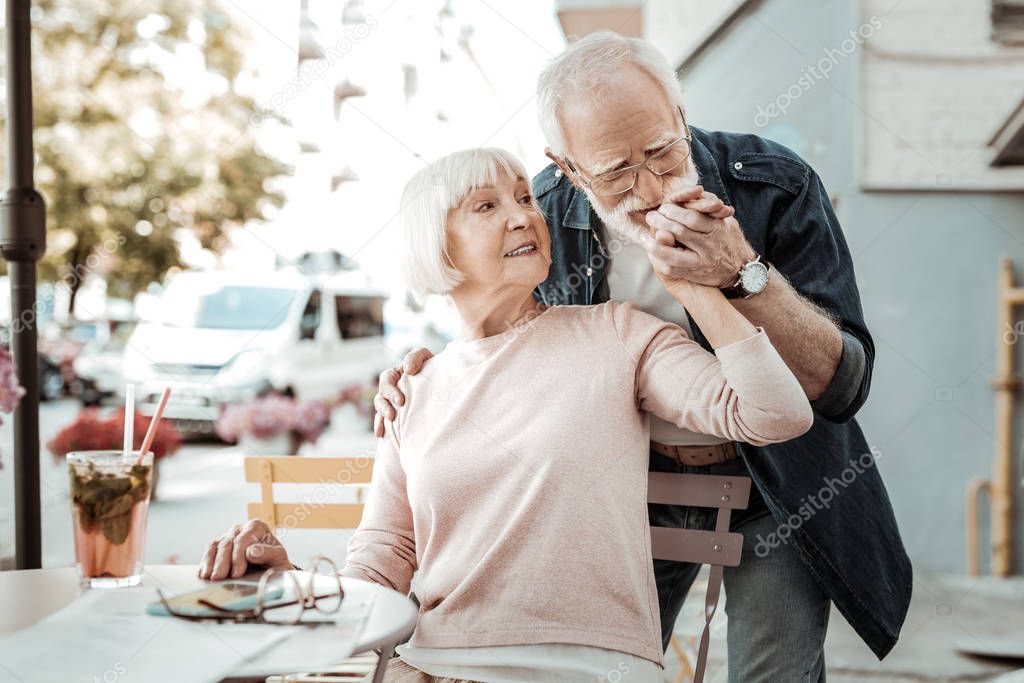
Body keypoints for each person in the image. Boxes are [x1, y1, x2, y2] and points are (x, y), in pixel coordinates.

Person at [375, 32, 913, 682]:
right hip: (632, 486)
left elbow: (843, 385)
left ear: (681, 118)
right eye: (615, 171)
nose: (652, 184)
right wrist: (424, 371)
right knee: (604, 661)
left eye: (662, 149)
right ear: (568, 167)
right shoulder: (541, 213)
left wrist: (744, 274)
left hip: (780, 478)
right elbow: (504, 334)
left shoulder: (776, 184)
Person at [200, 147, 813, 682]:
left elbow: (775, 413)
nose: (524, 214)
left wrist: (697, 285)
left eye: (524, 197)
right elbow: (382, 559)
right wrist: (289, 580)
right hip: (430, 664)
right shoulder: (414, 387)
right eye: (486, 206)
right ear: (437, 243)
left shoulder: (617, 335)